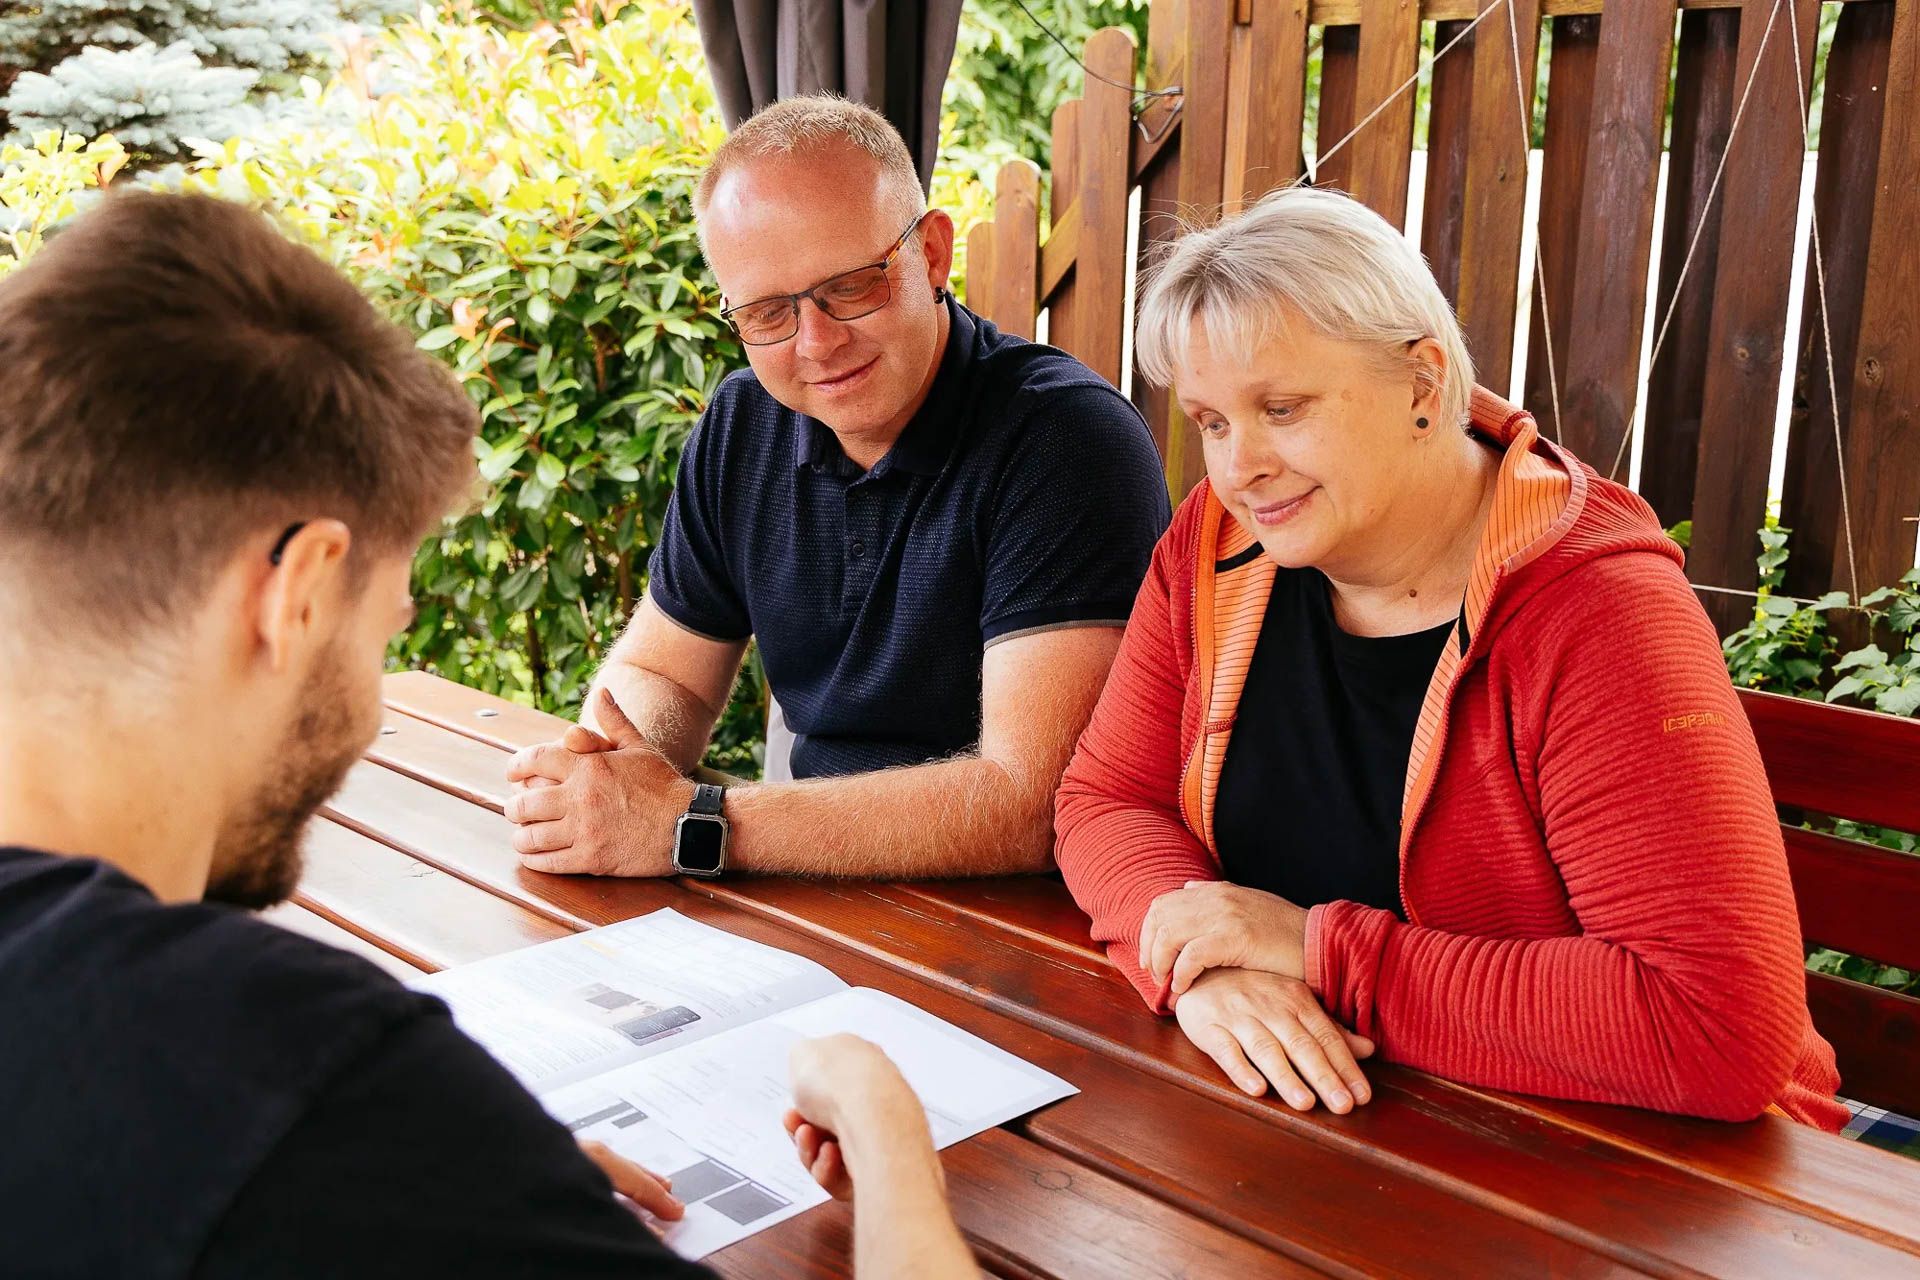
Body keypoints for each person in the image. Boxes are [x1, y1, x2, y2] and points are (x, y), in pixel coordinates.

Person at [0, 191, 979, 1278]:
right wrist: (888, 1128)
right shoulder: (309, 1075)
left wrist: (458, 1175)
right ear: (300, 597)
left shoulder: (309, 1131)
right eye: (388, 628)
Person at [1053, 186, 1847, 1130]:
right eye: (1214, 421)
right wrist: (1202, 963)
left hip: (1667, 1175)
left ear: (1424, 386)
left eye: (1283, 408)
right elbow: (1106, 800)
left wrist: (1317, 951)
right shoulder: (1219, 545)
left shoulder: (1599, 611)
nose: (1239, 466)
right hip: (1349, 1127)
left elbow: (1715, 1027)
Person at [503, 95, 1171, 881]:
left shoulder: (1066, 439)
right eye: (766, 312)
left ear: (931, 253)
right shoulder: (742, 424)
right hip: (814, 894)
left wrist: (691, 823)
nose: (815, 342)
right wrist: (606, 766)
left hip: (1024, 928)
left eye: (851, 287)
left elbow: (1032, 803)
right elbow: (663, 673)